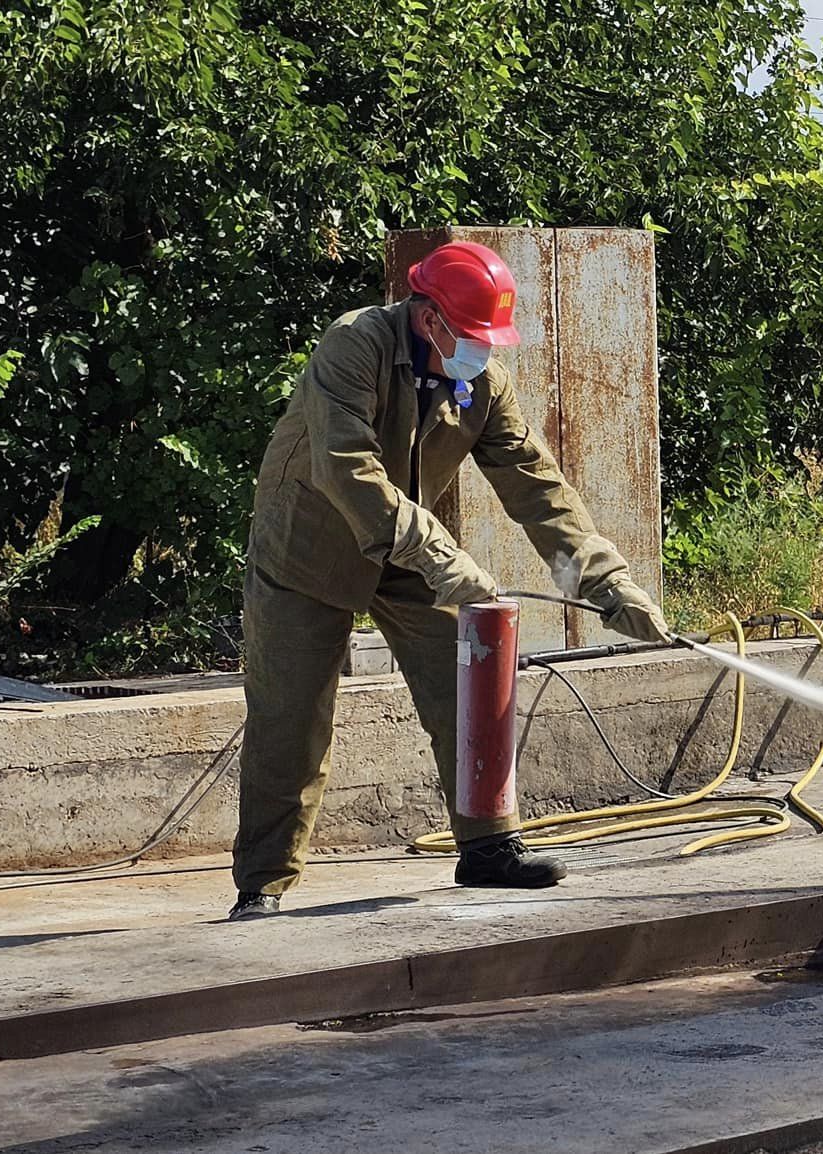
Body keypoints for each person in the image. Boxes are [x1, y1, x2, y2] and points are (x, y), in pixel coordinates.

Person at [227, 241, 668, 920]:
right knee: (292, 718)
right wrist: (441, 556)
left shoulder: (484, 385)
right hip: (306, 550)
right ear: (428, 317)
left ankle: (488, 847)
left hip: (403, 549)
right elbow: (348, 467)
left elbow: (538, 491)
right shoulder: (353, 348)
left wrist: (607, 583)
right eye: (472, 335)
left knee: (468, 680)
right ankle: (264, 883)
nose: (483, 351)